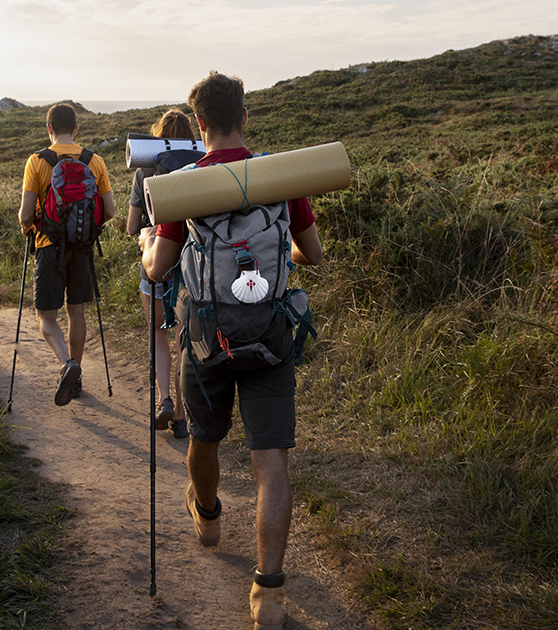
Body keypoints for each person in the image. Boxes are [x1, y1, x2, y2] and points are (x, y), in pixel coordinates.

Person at [139, 71, 323, 630]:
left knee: (205, 436)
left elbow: (159, 268)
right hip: (270, 334)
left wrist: (149, 242)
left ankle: (210, 514)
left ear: (199, 125)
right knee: (272, 463)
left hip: (206, 337)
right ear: (244, 117)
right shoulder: (282, 177)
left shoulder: (185, 186)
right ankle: (267, 596)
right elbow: (311, 255)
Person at [18, 103, 116, 406]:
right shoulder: (94, 161)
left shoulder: (37, 161)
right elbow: (110, 211)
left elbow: (25, 215)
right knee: (76, 312)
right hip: (82, 250)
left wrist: (28, 230)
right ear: (76, 129)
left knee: (46, 317)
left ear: (49, 129)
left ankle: (66, 364)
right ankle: (77, 374)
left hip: (48, 247)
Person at [126, 108, 197, 439]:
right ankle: (183, 416)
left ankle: (164, 400)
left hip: (155, 258)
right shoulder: (199, 166)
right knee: (185, 338)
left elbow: (130, 226)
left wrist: (145, 231)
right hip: (190, 263)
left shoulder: (146, 168)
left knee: (158, 333)